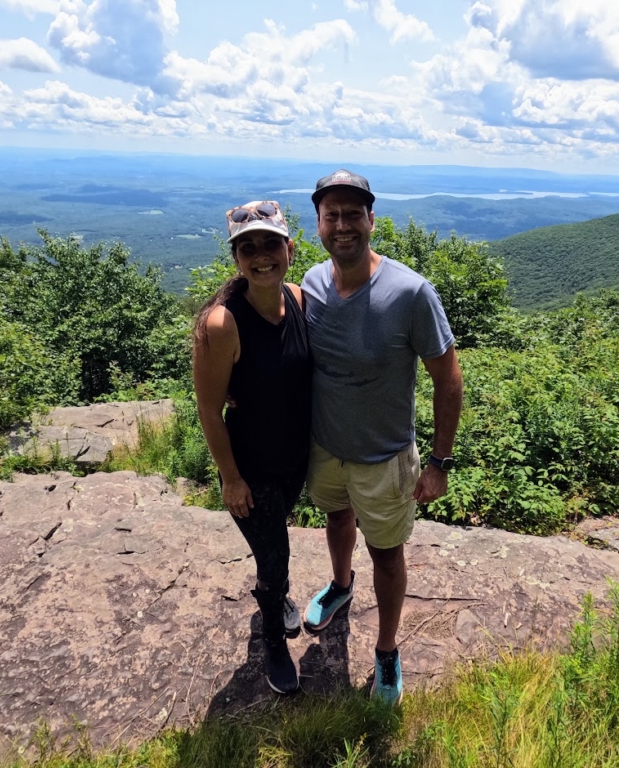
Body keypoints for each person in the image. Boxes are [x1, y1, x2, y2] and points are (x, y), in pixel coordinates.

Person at [300, 169, 464, 705]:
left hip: (385, 455)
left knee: (388, 553)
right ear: (319, 224)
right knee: (336, 516)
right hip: (326, 446)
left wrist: (439, 461)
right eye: (332, 215)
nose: (342, 225)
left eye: (353, 214)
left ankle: (388, 650)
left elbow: (448, 378)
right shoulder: (312, 283)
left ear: (372, 219)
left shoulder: (410, 292)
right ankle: (342, 586)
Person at [193, 200, 311, 695]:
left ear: (289, 248)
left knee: (276, 545)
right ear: (236, 259)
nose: (261, 255)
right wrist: (230, 477)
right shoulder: (223, 324)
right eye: (248, 248)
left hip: (294, 459)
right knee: (274, 559)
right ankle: (273, 640)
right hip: (252, 465)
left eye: (269, 244)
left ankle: (277, 597)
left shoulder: (301, 299)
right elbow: (208, 410)